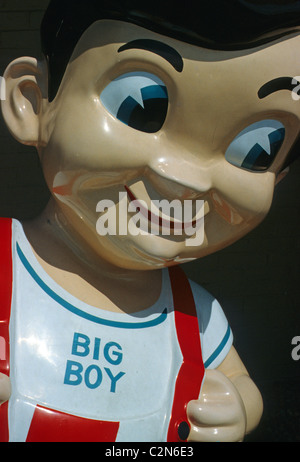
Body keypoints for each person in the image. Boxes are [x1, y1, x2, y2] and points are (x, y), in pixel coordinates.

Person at [0, 0, 299, 442]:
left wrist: (238, 409)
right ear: (33, 102)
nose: (187, 180)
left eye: (256, 149)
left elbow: (240, 384)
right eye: (141, 105)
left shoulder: (194, 315)